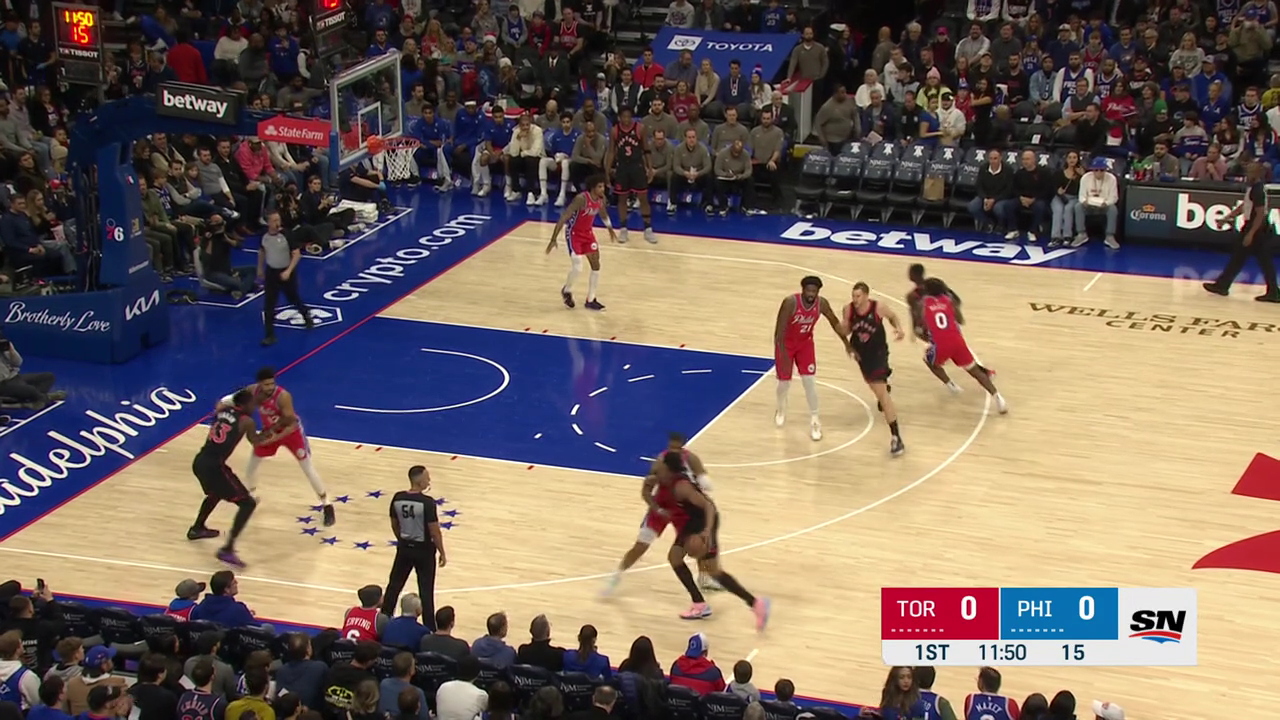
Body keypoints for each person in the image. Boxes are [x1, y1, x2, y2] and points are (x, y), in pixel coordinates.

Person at [653, 452, 770, 629]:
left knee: (713, 571)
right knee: (674, 557)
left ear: (668, 469)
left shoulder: (682, 487)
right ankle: (699, 603)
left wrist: (707, 532)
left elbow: (708, 506)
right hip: (692, 522)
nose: (657, 464)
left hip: (706, 522)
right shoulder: (666, 480)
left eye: (661, 463)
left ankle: (755, 604)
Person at [603, 433, 720, 595]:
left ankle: (704, 577)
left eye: (677, 447)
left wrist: (702, 481)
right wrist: (657, 508)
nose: (673, 450)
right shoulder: (660, 463)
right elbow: (646, 490)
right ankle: (617, 575)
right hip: (661, 506)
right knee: (641, 545)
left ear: (683, 446)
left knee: (698, 541)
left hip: (682, 510)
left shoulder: (691, 460)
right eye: (671, 447)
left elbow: (705, 483)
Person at [225, 367, 335, 524]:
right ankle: (251, 497)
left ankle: (327, 504)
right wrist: (223, 404)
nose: (270, 387)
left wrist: (273, 439)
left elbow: (291, 424)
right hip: (269, 431)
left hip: (291, 433)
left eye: (272, 383)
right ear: (259, 384)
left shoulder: (283, 397)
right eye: (266, 384)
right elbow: (233, 399)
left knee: (307, 468)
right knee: (251, 467)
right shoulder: (252, 391)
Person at [187, 389, 277, 568]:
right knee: (248, 503)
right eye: (253, 404)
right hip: (215, 466)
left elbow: (221, 403)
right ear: (244, 405)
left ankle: (197, 528)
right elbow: (256, 442)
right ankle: (227, 549)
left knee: (216, 492)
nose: (255, 407)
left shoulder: (221, 410)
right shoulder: (246, 421)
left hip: (200, 461)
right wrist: (270, 432)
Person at [773, 276, 850, 441]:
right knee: (784, 383)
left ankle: (815, 420)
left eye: (814, 291)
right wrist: (782, 354)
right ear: (803, 290)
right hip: (786, 345)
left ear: (818, 292)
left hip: (805, 344)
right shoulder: (790, 303)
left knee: (810, 383)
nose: (811, 294)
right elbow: (779, 332)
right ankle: (781, 408)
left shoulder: (821, 304)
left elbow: (835, 323)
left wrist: (846, 343)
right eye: (808, 291)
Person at [919, 279, 1009, 413]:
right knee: (975, 371)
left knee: (928, 359)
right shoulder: (949, 300)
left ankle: (951, 385)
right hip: (957, 341)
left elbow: (924, 326)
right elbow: (960, 320)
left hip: (941, 345)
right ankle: (999, 398)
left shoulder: (924, 303)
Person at [842, 282, 906, 457]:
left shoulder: (878, 307)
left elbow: (893, 316)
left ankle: (896, 437)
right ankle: (884, 384)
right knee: (875, 387)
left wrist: (899, 329)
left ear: (866, 296)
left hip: (878, 352)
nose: (855, 299)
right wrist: (847, 343)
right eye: (853, 296)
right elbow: (845, 330)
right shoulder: (848, 310)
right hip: (862, 355)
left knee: (882, 395)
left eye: (858, 296)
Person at [1203, 159, 1280, 301]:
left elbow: (1260, 214)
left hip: (1258, 229)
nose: (1246, 173)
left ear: (1257, 173)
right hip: (1256, 228)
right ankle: (1223, 285)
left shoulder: (1258, 190)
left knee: (1259, 261)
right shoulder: (1253, 187)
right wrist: (1227, 218)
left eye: (1250, 171)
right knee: (1242, 258)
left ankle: (1273, 292)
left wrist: (1251, 233)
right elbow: (1244, 206)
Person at [382, 466, 446, 623]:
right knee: (426, 591)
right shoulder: (427, 503)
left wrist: (402, 539)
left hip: (404, 548)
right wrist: (442, 552)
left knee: (394, 586)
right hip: (424, 551)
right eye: (427, 478)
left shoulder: (398, 498)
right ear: (419, 481)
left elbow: (394, 524)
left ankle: (383, 618)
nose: (429, 481)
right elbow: (434, 531)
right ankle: (429, 627)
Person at [545, 174, 616, 311]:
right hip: (574, 234)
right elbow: (564, 216)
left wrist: (610, 229)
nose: (603, 189)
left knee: (596, 265)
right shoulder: (581, 199)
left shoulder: (601, 200)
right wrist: (553, 238)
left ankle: (591, 299)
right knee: (578, 267)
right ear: (593, 188)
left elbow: (602, 213)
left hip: (588, 234)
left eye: (603, 186)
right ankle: (567, 290)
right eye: (600, 187)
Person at [256, 210, 312, 347]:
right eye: (274, 220)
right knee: (269, 304)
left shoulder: (287, 235)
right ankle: (270, 335)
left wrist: (288, 271)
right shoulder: (264, 236)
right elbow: (262, 251)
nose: (277, 223)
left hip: (286, 271)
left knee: (293, 298)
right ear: (268, 223)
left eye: (278, 220)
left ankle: (305, 313)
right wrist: (260, 268)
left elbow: (297, 254)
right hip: (271, 272)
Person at [605, 106, 655, 244]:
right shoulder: (614, 131)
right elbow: (611, 152)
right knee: (622, 198)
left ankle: (648, 229)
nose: (626, 119)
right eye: (624, 116)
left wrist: (650, 168)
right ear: (619, 117)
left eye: (629, 116)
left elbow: (646, 149)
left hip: (637, 166)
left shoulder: (640, 128)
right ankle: (623, 229)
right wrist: (607, 171)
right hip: (622, 167)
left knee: (643, 198)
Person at [0, 337, 65, 408]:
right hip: (3, 383)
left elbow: (18, 363)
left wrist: (12, 351)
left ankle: (34, 398)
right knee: (30, 389)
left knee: (48, 377)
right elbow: (3, 376)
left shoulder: (3, 348)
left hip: (15, 377)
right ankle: (44, 398)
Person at [1076, 157, 1120, 248]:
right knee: (1078, 206)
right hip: (1089, 206)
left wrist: (1106, 203)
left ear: (1105, 170)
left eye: (1102, 170)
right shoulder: (1085, 177)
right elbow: (1081, 196)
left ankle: (1109, 236)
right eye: (1096, 170)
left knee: (1113, 209)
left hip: (1104, 206)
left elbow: (1114, 197)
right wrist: (1084, 202)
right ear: (1092, 170)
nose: (1099, 172)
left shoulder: (1112, 178)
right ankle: (1082, 234)